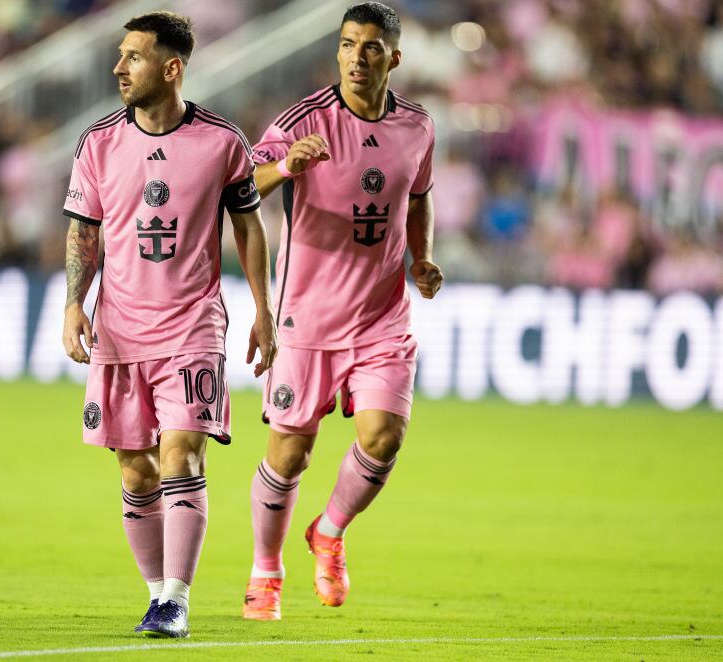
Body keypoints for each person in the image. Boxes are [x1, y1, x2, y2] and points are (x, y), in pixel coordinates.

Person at [61, 11, 277, 638]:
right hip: (120, 328)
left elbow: (248, 226)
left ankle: (177, 600)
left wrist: (263, 309)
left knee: (181, 453)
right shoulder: (98, 142)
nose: (119, 67)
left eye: (133, 56)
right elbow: (83, 231)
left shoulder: (222, 142)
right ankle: (157, 594)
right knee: (136, 469)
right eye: (121, 55)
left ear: (171, 67)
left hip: (192, 325)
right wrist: (74, 304)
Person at [242, 2, 443, 621]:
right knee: (290, 454)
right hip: (306, 317)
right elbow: (241, 183)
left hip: (382, 314)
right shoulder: (303, 120)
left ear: (394, 58)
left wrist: (422, 258)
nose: (358, 57)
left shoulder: (418, 127)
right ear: (337, 51)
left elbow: (418, 197)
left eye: (371, 47)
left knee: (384, 436)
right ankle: (266, 571)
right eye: (348, 44)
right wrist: (287, 166)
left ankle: (329, 530)